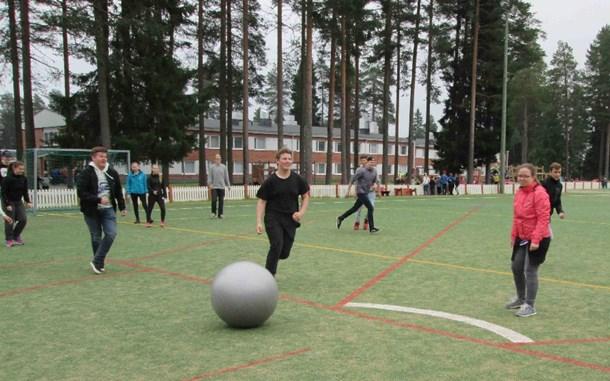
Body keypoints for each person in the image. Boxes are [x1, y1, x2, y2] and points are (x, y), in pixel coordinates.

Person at [505, 163, 551, 318]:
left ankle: (530, 305)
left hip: (539, 237)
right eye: (520, 176)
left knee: (530, 270)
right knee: (516, 267)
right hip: (522, 236)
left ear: (533, 177)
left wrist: (536, 240)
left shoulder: (540, 193)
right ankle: (520, 298)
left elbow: (543, 218)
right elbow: (516, 217)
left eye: (526, 176)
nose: (522, 178)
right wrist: (513, 236)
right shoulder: (519, 192)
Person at [256, 148, 310, 276]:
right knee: (276, 244)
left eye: (289, 159)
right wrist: (258, 222)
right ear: (277, 161)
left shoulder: (298, 180)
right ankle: (268, 276)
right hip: (273, 217)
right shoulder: (270, 181)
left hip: (291, 219)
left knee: (284, 253)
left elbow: (306, 196)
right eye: (284, 158)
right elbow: (262, 201)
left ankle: (273, 259)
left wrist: (301, 212)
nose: (287, 161)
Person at [77, 146, 126, 274]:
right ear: (93, 158)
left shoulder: (112, 172)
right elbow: (81, 193)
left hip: (108, 209)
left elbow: (118, 191)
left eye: (105, 156)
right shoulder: (86, 173)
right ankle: (99, 263)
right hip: (91, 210)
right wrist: (98, 200)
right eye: (101, 156)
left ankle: (96, 260)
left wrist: (122, 207)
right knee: (96, 237)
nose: (104, 158)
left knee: (111, 234)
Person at [337, 156, 380, 233]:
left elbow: (374, 182)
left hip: (366, 192)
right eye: (370, 162)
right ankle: (372, 227)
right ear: (367, 162)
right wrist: (348, 191)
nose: (372, 164)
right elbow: (352, 180)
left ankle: (341, 218)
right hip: (360, 192)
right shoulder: (361, 171)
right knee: (370, 208)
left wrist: (375, 188)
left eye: (373, 163)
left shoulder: (374, 172)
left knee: (355, 208)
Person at [2, 162, 32, 247]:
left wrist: (28, 201)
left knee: (23, 219)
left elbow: (24, 191)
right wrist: (7, 204)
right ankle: (9, 240)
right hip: (8, 202)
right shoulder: (7, 179)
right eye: (20, 169)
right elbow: (3, 193)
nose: (22, 171)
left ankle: (15, 236)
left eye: (23, 169)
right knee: (10, 221)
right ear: (14, 168)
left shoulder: (24, 178)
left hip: (18, 202)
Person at [541, 163, 566, 227]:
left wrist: (560, 211)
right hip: (539, 215)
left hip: (547, 215)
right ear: (550, 172)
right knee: (547, 236)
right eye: (555, 172)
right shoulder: (544, 183)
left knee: (547, 236)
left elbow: (557, 201)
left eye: (559, 172)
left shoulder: (559, 186)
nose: (557, 174)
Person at [351, 155, 372, 230]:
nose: (363, 162)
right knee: (359, 208)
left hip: (369, 192)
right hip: (361, 192)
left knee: (370, 207)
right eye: (362, 160)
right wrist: (355, 191)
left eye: (365, 160)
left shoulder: (371, 169)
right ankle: (357, 222)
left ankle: (366, 221)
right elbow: (356, 181)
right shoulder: (359, 170)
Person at [208, 154, 231, 219]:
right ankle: (213, 213)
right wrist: (210, 184)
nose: (217, 160)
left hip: (222, 187)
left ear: (220, 159)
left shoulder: (224, 167)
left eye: (219, 159)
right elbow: (209, 177)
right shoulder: (211, 167)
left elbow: (226, 177)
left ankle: (220, 214)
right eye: (216, 159)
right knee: (214, 200)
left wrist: (228, 185)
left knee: (221, 201)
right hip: (214, 187)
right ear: (214, 160)